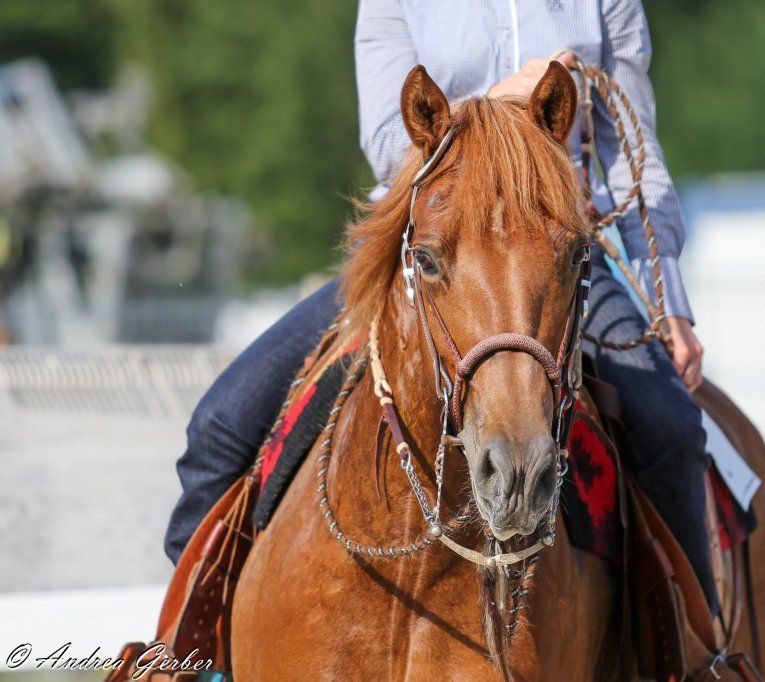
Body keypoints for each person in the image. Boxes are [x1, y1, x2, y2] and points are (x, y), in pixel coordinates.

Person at [165, 0, 717, 613]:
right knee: (220, 425)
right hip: (434, 257)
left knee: (669, 425)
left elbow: (634, 149)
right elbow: (386, 142)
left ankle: (696, 653)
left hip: (557, 259)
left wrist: (669, 299)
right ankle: (186, 656)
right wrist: (509, 102)